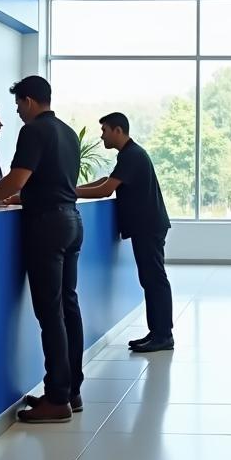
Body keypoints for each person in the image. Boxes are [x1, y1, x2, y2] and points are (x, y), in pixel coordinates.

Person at [0, 76, 83, 424]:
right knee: (68, 307)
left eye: (18, 105)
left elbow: (18, 178)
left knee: (50, 313)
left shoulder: (33, 131)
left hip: (46, 226)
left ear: (29, 101)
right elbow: (49, 182)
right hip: (71, 221)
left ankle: (57, 398)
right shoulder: (68, 132)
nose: (16, 112)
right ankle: (71, 390)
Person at [75, 112, 174, 353]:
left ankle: (163, 336)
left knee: (154, 279)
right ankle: (157, 332)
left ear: (118, 130)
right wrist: (73, 187)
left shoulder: (132, 155)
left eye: (105, 130)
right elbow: (107, 180)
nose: (102, 136)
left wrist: (70, 193)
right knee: (150, 279)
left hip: (148, 227)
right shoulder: (130, 154)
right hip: (147, 226)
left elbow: (106, 190)